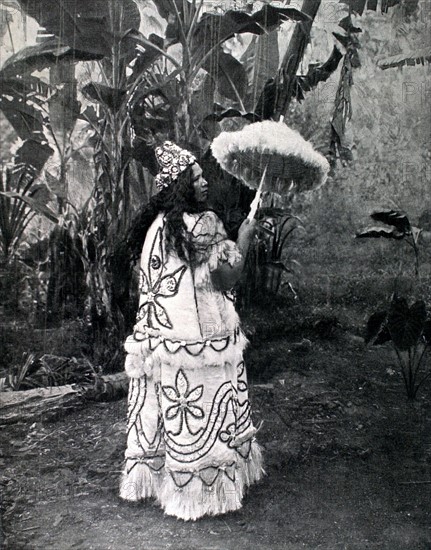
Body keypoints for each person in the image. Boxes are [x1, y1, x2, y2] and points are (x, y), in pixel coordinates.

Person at [119, 141, 264, 521]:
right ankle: (203, 495)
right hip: (200, 342)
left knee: (170, 412)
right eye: (195, 178)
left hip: (161, 341)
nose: (203, 184)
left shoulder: (155, 229)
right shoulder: (204, 226)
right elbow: (228, 278)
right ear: (181, 186)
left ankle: (159, 484)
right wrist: (245, 237)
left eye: (202, 176)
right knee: (203, 411)